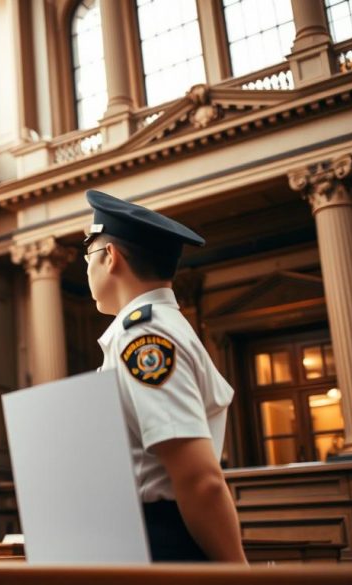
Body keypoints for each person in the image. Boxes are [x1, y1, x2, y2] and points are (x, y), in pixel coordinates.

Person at [83, 190, 246, 563]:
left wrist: (240, 574)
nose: (86, 269)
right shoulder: (156, 328)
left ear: (110, 257)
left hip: (160, 544)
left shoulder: (144, 336)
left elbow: (198, 479)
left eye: (87, 256)